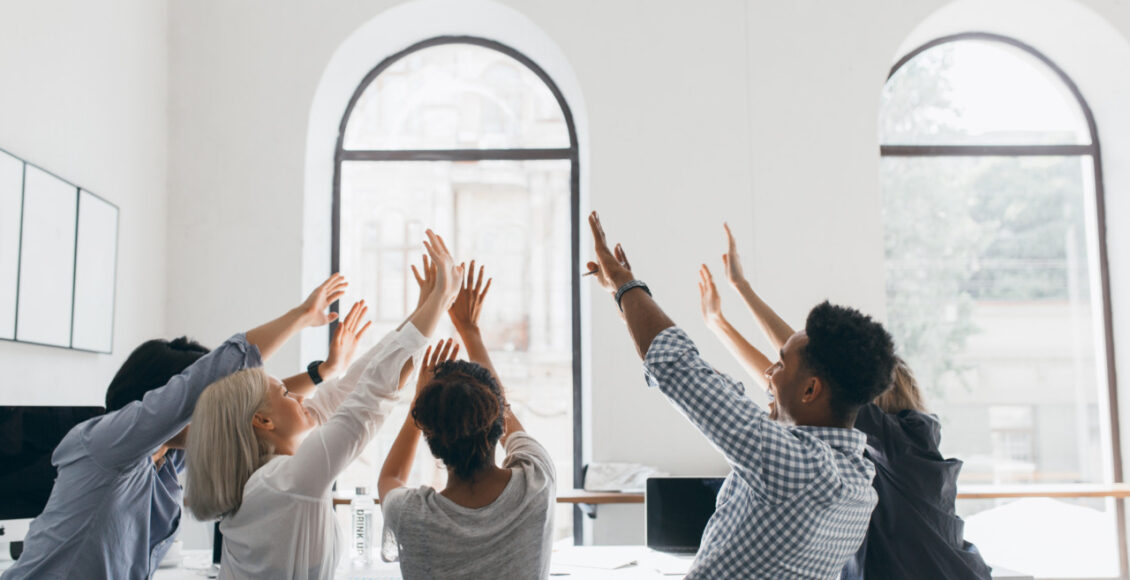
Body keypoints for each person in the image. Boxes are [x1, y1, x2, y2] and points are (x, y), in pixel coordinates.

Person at [585, 211, 895, 579]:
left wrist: (625, 285)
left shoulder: (799, 468)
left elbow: (680, 370)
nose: (769, 373)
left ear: (811, 390)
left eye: (781, 365)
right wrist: (628, 305)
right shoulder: (859, 481)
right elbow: (709, 386)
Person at [2, 274, 352, 580]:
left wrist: (320, 374)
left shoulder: (169, 458)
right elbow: (213, 386)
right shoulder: (105, 445)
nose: (218, 409)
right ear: (162, 402)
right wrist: (300, 316)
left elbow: (257, 405)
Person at [698, 223, 991, 579]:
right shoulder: (863, 455)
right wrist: (719, 324)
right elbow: (785, 380)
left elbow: (811, 365)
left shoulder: (905, 442)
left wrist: (743, 290)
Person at [183, 230, 462, 580]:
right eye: (285, 395)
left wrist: (426, 310)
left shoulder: (266, 483)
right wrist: (437, 302)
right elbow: (367, 398)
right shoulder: (283, 484)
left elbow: (347, 390)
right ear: (263, 421)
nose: (301, 396)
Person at [379, 261, 556, 580]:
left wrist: (418, 405)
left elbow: (389, 478)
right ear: (498, 419)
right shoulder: (538, 480)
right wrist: (470, 330)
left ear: (429, 432)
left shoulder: (411, 515)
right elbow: (504, 408)